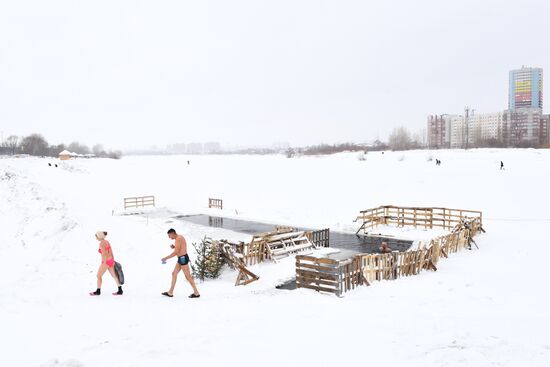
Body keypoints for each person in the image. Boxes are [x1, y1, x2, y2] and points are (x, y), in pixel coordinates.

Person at [161, 228, 200, 298]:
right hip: (181, 258)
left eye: (169, 236)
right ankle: (170, 292)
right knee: (174, 273)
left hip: (183, 259)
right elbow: (180, 248)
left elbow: (176, 253)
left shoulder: (178, 239)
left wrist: (165, 258)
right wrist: (174, 247)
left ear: (173, 233)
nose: (169, 237)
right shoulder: (179, 237)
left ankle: (196, 293)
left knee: (188, 276)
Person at [90, 231, 123, 296]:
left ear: (99, 237)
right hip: (111, 260)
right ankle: (120, 290)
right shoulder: (107, 242)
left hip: (106, 262)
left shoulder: (101, 243)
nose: (96, 238)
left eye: (96, 236)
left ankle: (98, 291)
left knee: (98, 276)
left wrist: (104, 262)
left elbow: (104, 254)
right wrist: (112, 260)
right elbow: (111, 251)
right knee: (114, 275)